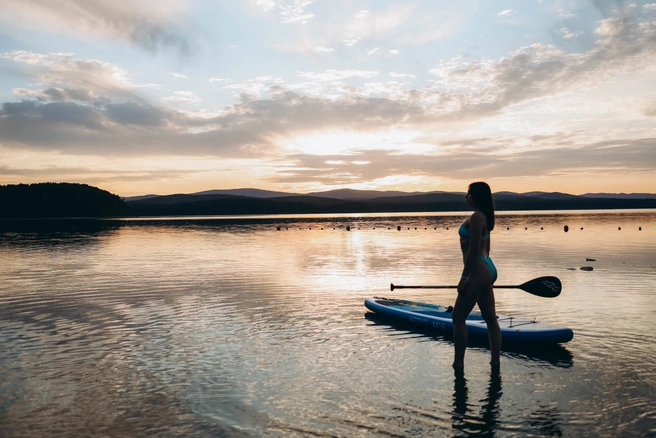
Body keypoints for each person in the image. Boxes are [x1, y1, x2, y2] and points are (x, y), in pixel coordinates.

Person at [452, 181, 501, 371]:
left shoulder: (475, 218)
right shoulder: (484, 217)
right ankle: (495, 363)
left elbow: (472, 251)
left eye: (469, 194)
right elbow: (486, 248)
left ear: (477, 197)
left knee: (457, 317)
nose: (466, 197)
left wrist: (465, 279)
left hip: (478, 270)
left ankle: (458, 364)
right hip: (487, 267)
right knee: (490, 319)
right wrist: (486, 276)